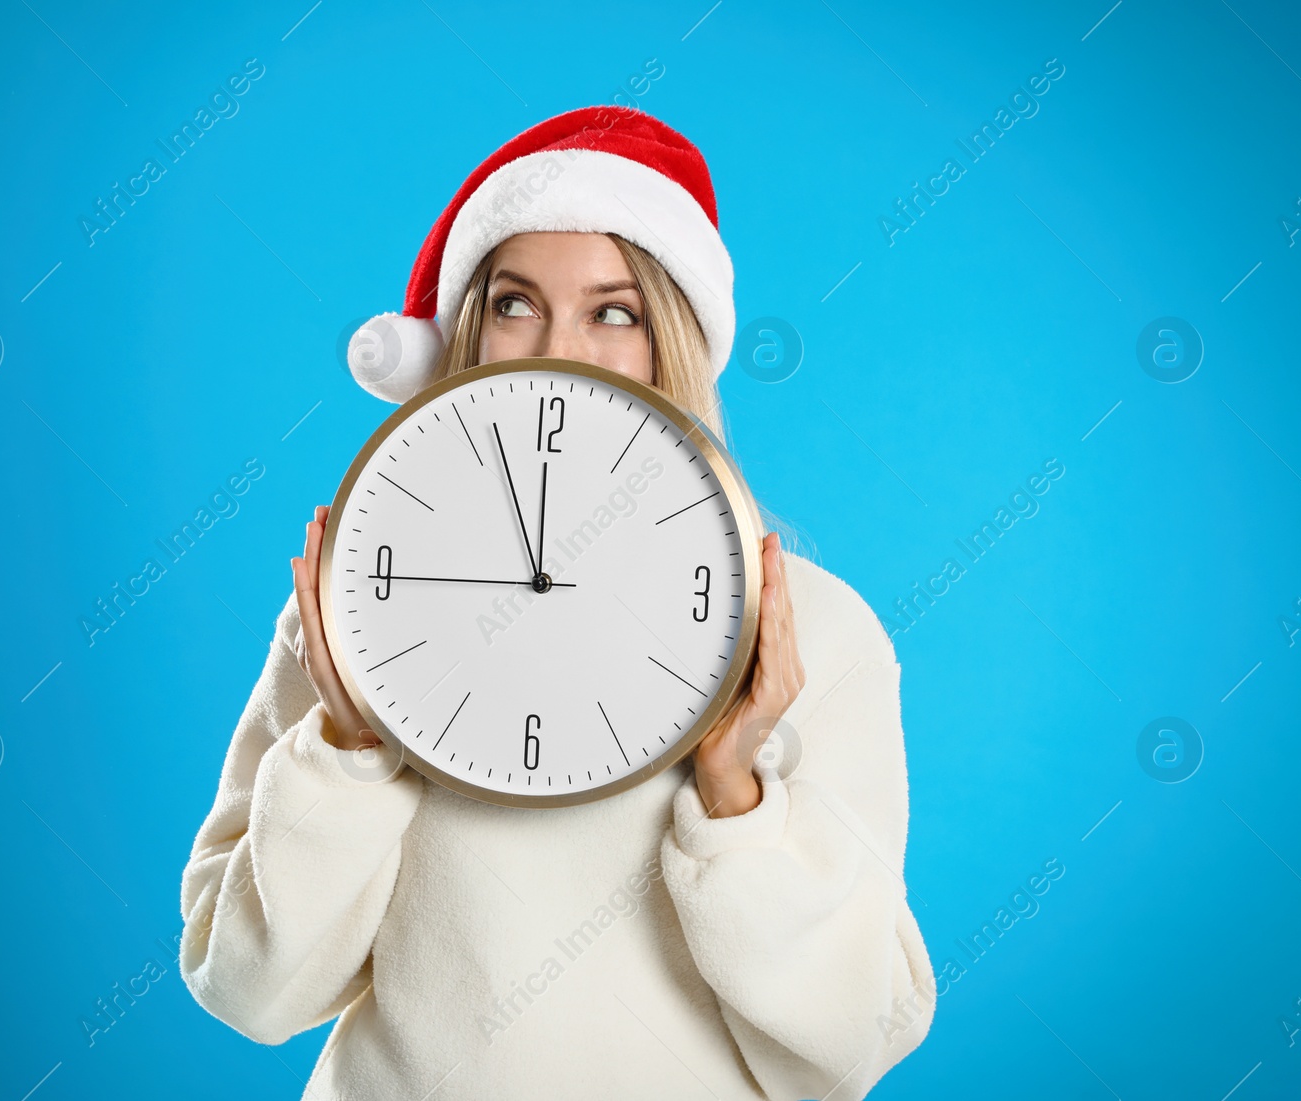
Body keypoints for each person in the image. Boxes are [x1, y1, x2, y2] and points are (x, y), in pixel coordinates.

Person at [178, 105, 935, 1100]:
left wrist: (734, 796)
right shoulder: (353, 611)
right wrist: (349, 752)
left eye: (612, 312)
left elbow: (854, 1043)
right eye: (514, 303)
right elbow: (247, 991)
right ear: (465, 336)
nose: (554, 347)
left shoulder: (817, 634)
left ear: (667, 342)